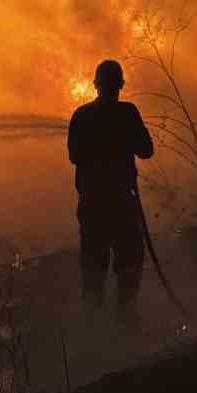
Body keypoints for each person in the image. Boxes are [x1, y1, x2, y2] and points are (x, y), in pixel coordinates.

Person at [67, 58, 154, 321]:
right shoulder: (127, 113)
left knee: (94, 271)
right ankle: (125, 321)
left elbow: (74, 156)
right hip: (120, 206)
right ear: (120, 85)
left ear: (96, 85)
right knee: (129, 264)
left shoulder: (82, 115)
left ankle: (94, 328)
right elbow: (146, 150)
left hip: (92, 207)